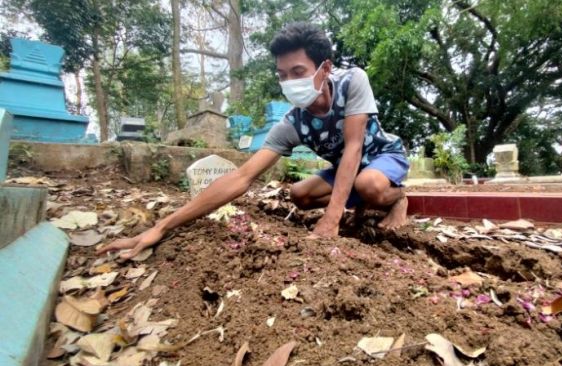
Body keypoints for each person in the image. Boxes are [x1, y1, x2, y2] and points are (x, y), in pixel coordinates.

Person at [97, 22, 410, 260]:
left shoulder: (352, 82)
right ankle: (363, 203)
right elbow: (241, 176)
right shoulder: (293, 123)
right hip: (347, 170)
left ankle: (398, 198)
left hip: (381, 156)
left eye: (298, 71)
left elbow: (354, 147)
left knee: (369, 184)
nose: (289, 82)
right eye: (282, 74)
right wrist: (163, 226)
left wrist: (332, 218)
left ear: (325, 67)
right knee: (298, 195)